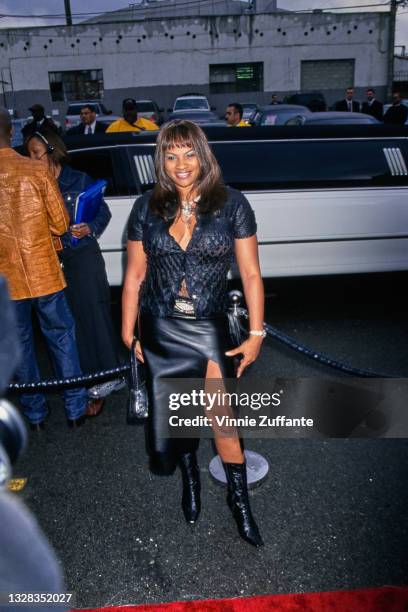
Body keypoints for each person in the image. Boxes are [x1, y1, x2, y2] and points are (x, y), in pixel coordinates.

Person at [122, 120, 265, 547]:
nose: (181, 164)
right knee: (179, 423)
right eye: (171, 155)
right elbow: (133, 277)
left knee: (222, 422)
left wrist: (256, 333)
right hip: (162, 327)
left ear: (203, 155)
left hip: (209, 327)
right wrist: (128, 335)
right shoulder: (146, 207)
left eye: (188, 153)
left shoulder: (232, 204)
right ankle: (191, 481)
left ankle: (240, 503)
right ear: (161, 161)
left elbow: (252, 274)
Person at [26, 130, 125, 417]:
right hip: (51, 261)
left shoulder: (79, 179)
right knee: (65, 327)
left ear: (52, 151)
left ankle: (99, 387)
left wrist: (90, 227)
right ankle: (76, 387)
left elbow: (102, 212)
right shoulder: (31, 183)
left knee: (92, 321)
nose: (31, 159)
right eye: (29, 154)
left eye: (36, 153)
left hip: (83, 259)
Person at [0, 107, 87, 430]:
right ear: (11, 133)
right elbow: (61, 223)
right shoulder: (36, 171)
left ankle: (35, 415)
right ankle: (75, 410)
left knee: (19, 345)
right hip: (44, 273)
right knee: (62, 338)